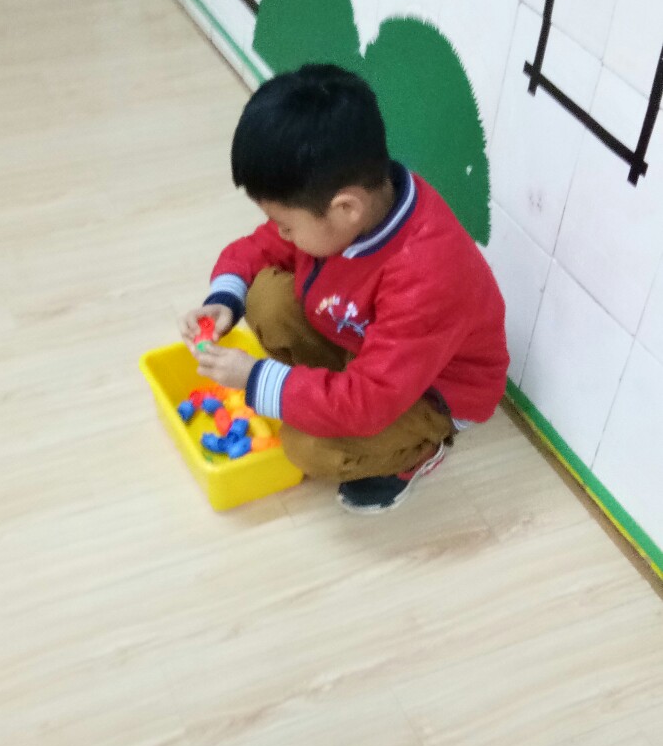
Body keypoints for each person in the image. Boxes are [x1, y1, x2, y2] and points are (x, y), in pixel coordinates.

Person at [180, 63, 509, 513]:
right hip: (370, 345)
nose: (280, 233)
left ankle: (417, 452)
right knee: (264, 297)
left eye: (286, 224)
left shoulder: (426, 275)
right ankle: (321, 391)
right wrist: (223, 298)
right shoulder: (349, 210)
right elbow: (261, 247)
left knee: (309, 444)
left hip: (431, 392)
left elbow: (370, 400)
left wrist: (257, 379)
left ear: (346, 208)